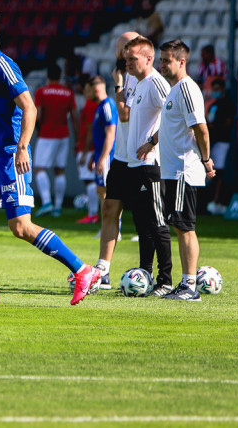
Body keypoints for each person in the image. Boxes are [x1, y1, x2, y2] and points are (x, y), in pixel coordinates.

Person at [0, 12, 98, 305]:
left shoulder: (3, 65)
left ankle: (82, 269)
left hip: (10, 158)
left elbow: (30, 107)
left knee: (21, 227)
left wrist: (23, 146)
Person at [145, 40, 215, 301]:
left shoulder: (186, 89)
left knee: (185, 227)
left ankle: (189, 286)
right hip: (174, 171)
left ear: (181, 61)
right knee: (179, 225)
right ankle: (187, 284)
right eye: (161, 60)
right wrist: (151, 142)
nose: (161, 65)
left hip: (183, 170)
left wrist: (206, 160)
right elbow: (172, 128)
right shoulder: (176, 90)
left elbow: (201, 128)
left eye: (166, 60)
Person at [123, 35, 174, 296]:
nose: (128, 63)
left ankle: (165, 280)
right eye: (126, 59)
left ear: (149, 58)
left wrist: (152, 142)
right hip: (135, 165)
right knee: (142, 224)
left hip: (151, 164)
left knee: (157, 221)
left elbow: (173, 114)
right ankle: (145, 274)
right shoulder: (139, 84)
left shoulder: (156, 83)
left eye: (133, 58)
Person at [96, 31, 140, 291]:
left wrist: (119, 84)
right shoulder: (123, 78)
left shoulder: (145, 81)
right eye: (118, 49)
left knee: (148, 220)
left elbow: (124, 115)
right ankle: (103, 269)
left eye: (122, 48)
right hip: (121, 158)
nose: (118, 53)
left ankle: (153, 271)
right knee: (109, 209)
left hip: (145, 159)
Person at [32, 65, 79, 218]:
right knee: (59, 170)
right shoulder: (68, 93)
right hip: (63, 135)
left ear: (48, 76)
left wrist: (37, 130)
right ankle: (58, 207)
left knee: (40, 169)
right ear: (60, 76)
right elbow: (74, 116)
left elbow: (37, 115)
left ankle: (46, 202)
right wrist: (77, 138)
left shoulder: (41, 92)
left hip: (46, 134)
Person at [86, 77, 118, 232]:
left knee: (106, 192)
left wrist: (103, 158)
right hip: (101, 155)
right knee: (102, 191)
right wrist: (95, 156)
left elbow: (111, 133)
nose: (86, 94)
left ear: (95, 89)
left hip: (108, 156)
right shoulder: (101, 106)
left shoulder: (107, 105)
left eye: (88, 89)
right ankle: (108, 227)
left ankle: (111, 228)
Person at [205, 77, 234, 215]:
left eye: (217, 89)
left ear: (222, 89)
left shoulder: (227, 104)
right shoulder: (213, 105)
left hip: (222, 141)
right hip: (212, 141)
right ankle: (209, 200)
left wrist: (215, 127)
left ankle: (217, 200)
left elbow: (228, 123)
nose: (215, 92)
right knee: (210, 171)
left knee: (219, 172)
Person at [75, 77, 101, 225]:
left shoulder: (91, 105)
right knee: (89, 180)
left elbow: (91, 130)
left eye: (85, 88)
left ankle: (93, 214)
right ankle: (92, 213)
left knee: (90, 180)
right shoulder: (88, 104)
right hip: (86, 147)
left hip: (89, 149)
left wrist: (85, 153)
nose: (84, 91)